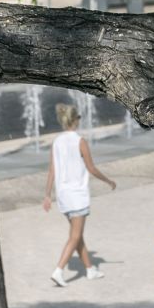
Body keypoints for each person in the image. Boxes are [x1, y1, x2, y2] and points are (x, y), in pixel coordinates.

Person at [44, 101, 115, 286]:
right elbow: (91, 168)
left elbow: (52, 170)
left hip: (63, 196)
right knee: (75, 236)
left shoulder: (57, 141)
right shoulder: (79, 141)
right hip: (77, 196)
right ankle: (58, 270)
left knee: (78, 234)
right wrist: (108, 180)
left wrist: (47, 195)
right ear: (75, 120)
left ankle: (90, 269)